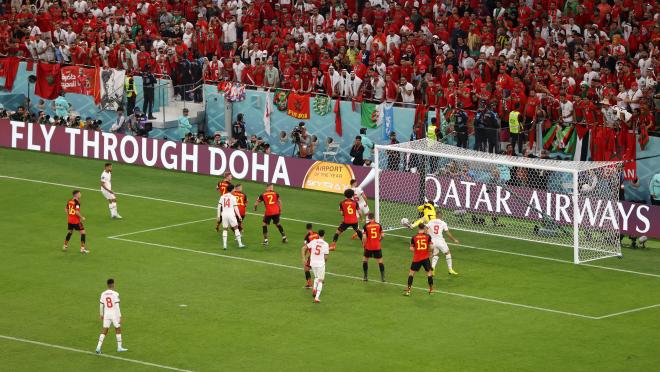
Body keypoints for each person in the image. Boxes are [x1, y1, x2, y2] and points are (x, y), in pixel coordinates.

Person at [95, 278, 128, 354]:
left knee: (105, 330)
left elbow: (101, 305)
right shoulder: (115, 294)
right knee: (118, 328)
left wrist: (101, 314)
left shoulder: (103, 293)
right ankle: (119, 347)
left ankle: (98, 347)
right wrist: (120, 316)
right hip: (114, 314)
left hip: (106, 314)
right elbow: (117, 306)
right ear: (113, 284)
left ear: (107, 285)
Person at [404, 224, 434, 296]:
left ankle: (408, 290)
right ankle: (431, 290)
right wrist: (429, 252)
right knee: (429, 273)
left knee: (411, 274)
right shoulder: (428, 237)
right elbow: (432, 247)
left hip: (417, 258)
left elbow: (411, 249)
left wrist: (417, 250)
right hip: (425, 258)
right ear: (424, 228)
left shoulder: (414, 237)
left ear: (418, 228)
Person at [216, 184, 245, 249]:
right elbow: (236, 208)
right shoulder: (233, 197)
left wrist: (218, 216)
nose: (234, 190)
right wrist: (239, 216)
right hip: (231, 214)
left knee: (225, 229)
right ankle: (240, 244)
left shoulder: (222, 196)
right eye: (234, 189)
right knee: (236, 228)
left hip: (224, 215)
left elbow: (219, 206)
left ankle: (224, 245)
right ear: (232, 190)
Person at [306, 229, 330, 303]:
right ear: (324, 234)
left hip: (313, 263)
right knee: (321, 280)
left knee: (316, 277)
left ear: (318, 234)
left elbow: (305, 247)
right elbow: (326, 257)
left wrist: (304, 258)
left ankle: (314, 288)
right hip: (320, 264)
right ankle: (317, 297)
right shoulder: (326, 244)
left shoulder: (313, 241)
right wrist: (324, 263)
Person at [361, 213, 385, 282]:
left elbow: (364, 237)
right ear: (374, 218)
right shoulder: (378, 225)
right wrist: (379, 240)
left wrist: (363, 244)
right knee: (380, 262)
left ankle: (365, 276)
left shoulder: (366, 226)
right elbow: (383, 235)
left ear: (368, 218)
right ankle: (382, 277)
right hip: (377, 247)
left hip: (369, 247)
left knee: (365, 260)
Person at [301, 223, 319, 289]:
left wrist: (304, 257)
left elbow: (305, 247)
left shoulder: (306, 237)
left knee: (306, 268)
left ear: (306, 228)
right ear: (311, 227)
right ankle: (320, 281)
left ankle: (309, 283)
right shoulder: (317, 234)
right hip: (319, 254)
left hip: (313, 255)